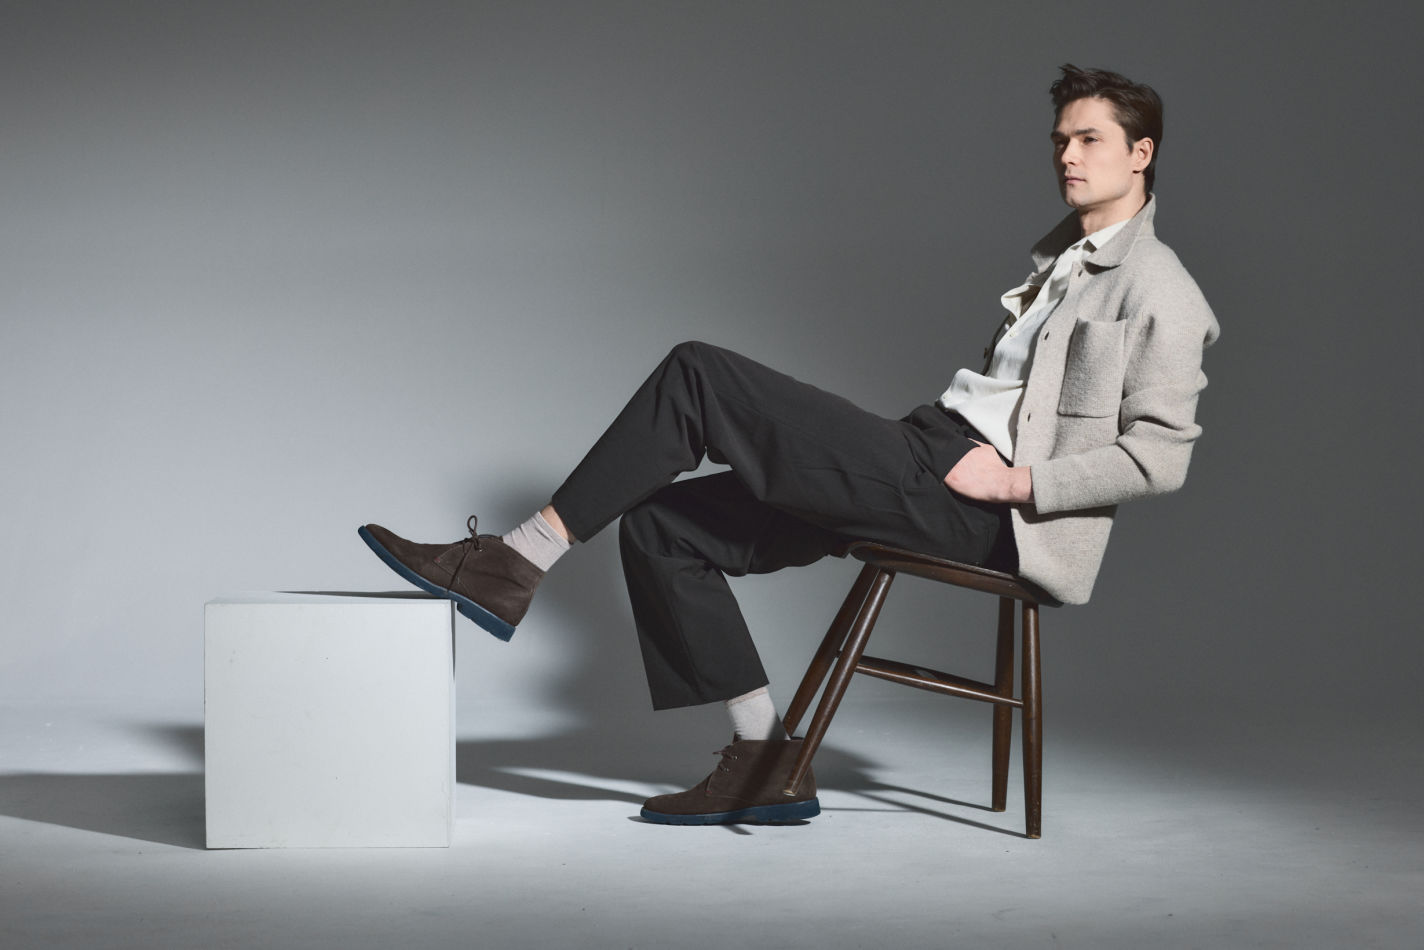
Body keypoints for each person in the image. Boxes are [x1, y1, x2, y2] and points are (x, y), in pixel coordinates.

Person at [360, 64, 1220, 826]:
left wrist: (1014, 485)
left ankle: (516, 560)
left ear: (1141, 153)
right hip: (929, 451)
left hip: (984, 512)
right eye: (1061, 139)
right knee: (662, 528)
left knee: (699, 374)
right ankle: (765, 760)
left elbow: (1160, 457)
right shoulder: (1060, 258)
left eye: (1090, 139)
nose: (1067, 155)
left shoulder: (1163, 291)